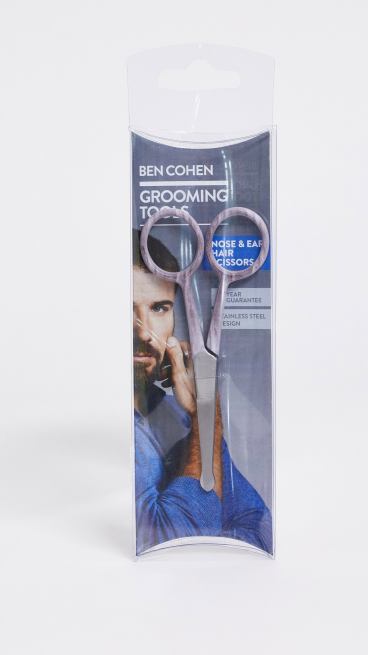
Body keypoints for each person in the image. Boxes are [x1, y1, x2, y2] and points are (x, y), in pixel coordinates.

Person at [133, 229, 272, 554]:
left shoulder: (179, 415)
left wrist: (201, 414)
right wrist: (205, 419)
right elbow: (177, 536)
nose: (145, 334)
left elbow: (259, 529)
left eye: (159, 308)